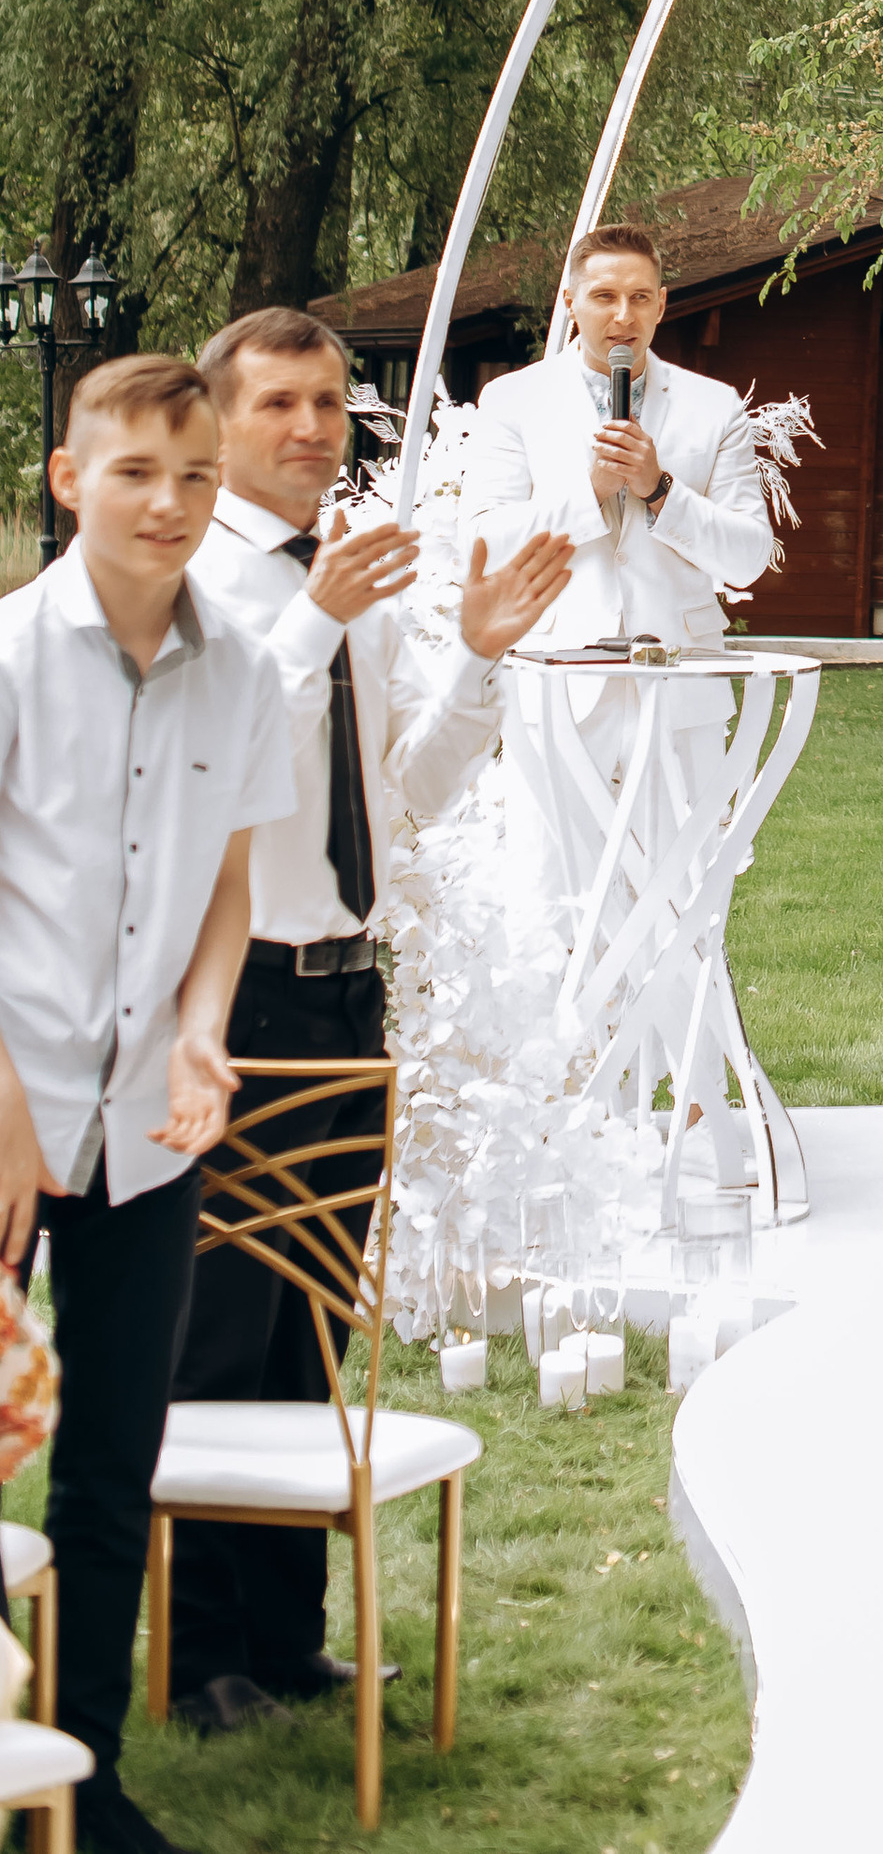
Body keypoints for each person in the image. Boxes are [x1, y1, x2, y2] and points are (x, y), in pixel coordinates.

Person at [162, 307, 573, 1738]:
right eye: (279, 401)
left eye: (331, 399)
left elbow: (406, 793)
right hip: (236, 996)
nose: (314, 426)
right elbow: (207, 771)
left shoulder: (361, 582)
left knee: (310, 1332)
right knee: (215, 1334)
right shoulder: (193, 590)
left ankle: (288, 1640)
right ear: (214, 423)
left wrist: (475, 655)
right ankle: (195, 1652)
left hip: (351, 991)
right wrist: (319, 615)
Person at [0, 354, 296, 1854]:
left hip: (145, 1129)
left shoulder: (247, 667)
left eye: (193, 475)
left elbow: (228, 893)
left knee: (112, 1463)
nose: (170, 502)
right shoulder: (2, 656)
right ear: (71, 480)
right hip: (1, 1111)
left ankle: (81, 1777)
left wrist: (201, 1033)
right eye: (136, 473)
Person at [457, 224, 774, 915]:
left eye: (638, 297)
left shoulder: (713, 406)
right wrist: (590, 492)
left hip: (680, 686)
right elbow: (483, 544)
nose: (622, 315)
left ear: (663, 305)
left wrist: (662, 491)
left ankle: (675, 1025)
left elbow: (750, 553)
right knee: (553, 900)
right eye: (603, 295)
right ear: (569, 301)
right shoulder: (514, 401)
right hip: (558, 680)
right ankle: (558, 1026)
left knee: (681, 898)